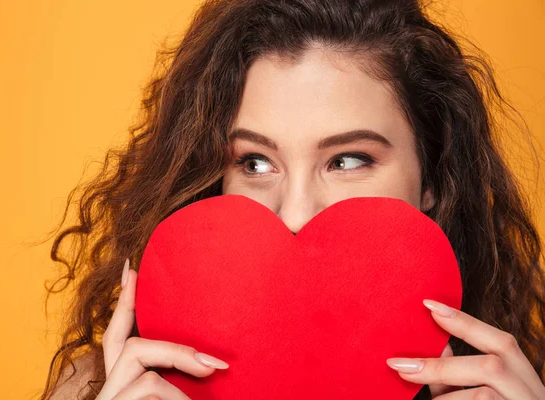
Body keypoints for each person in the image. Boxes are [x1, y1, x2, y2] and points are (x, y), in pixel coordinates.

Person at [38, 0, 545, 399]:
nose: (297, 213)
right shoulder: (105, 388)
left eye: (348, 160)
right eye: (255, 163)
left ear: (431, 179)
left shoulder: (505, 388)